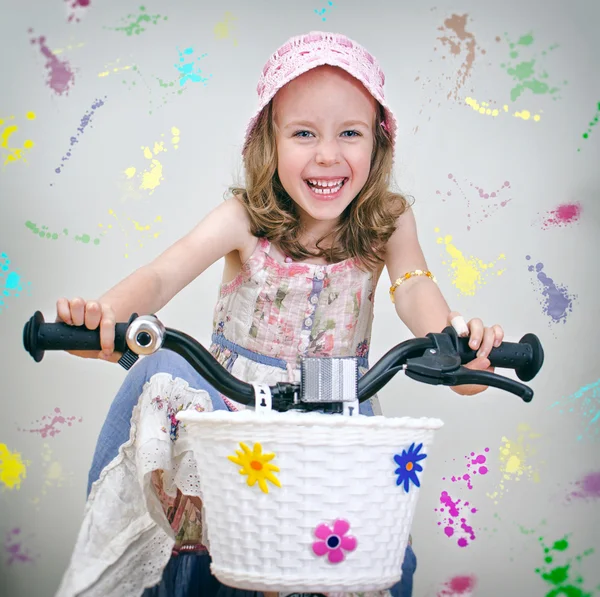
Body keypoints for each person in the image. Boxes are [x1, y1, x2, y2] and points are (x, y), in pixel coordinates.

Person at [55, 31, 504, 597]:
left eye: (350, 133)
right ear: (269, 141)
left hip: (336, 416)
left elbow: (415, 290)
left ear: (378, 143)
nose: (327, 154)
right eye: (303, 133)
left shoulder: (389, 221)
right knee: (169, 381)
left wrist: (456, 348)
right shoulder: (244, 219)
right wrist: (106, 316)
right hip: (236, 408)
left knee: (355, 550)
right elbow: (163, 274)